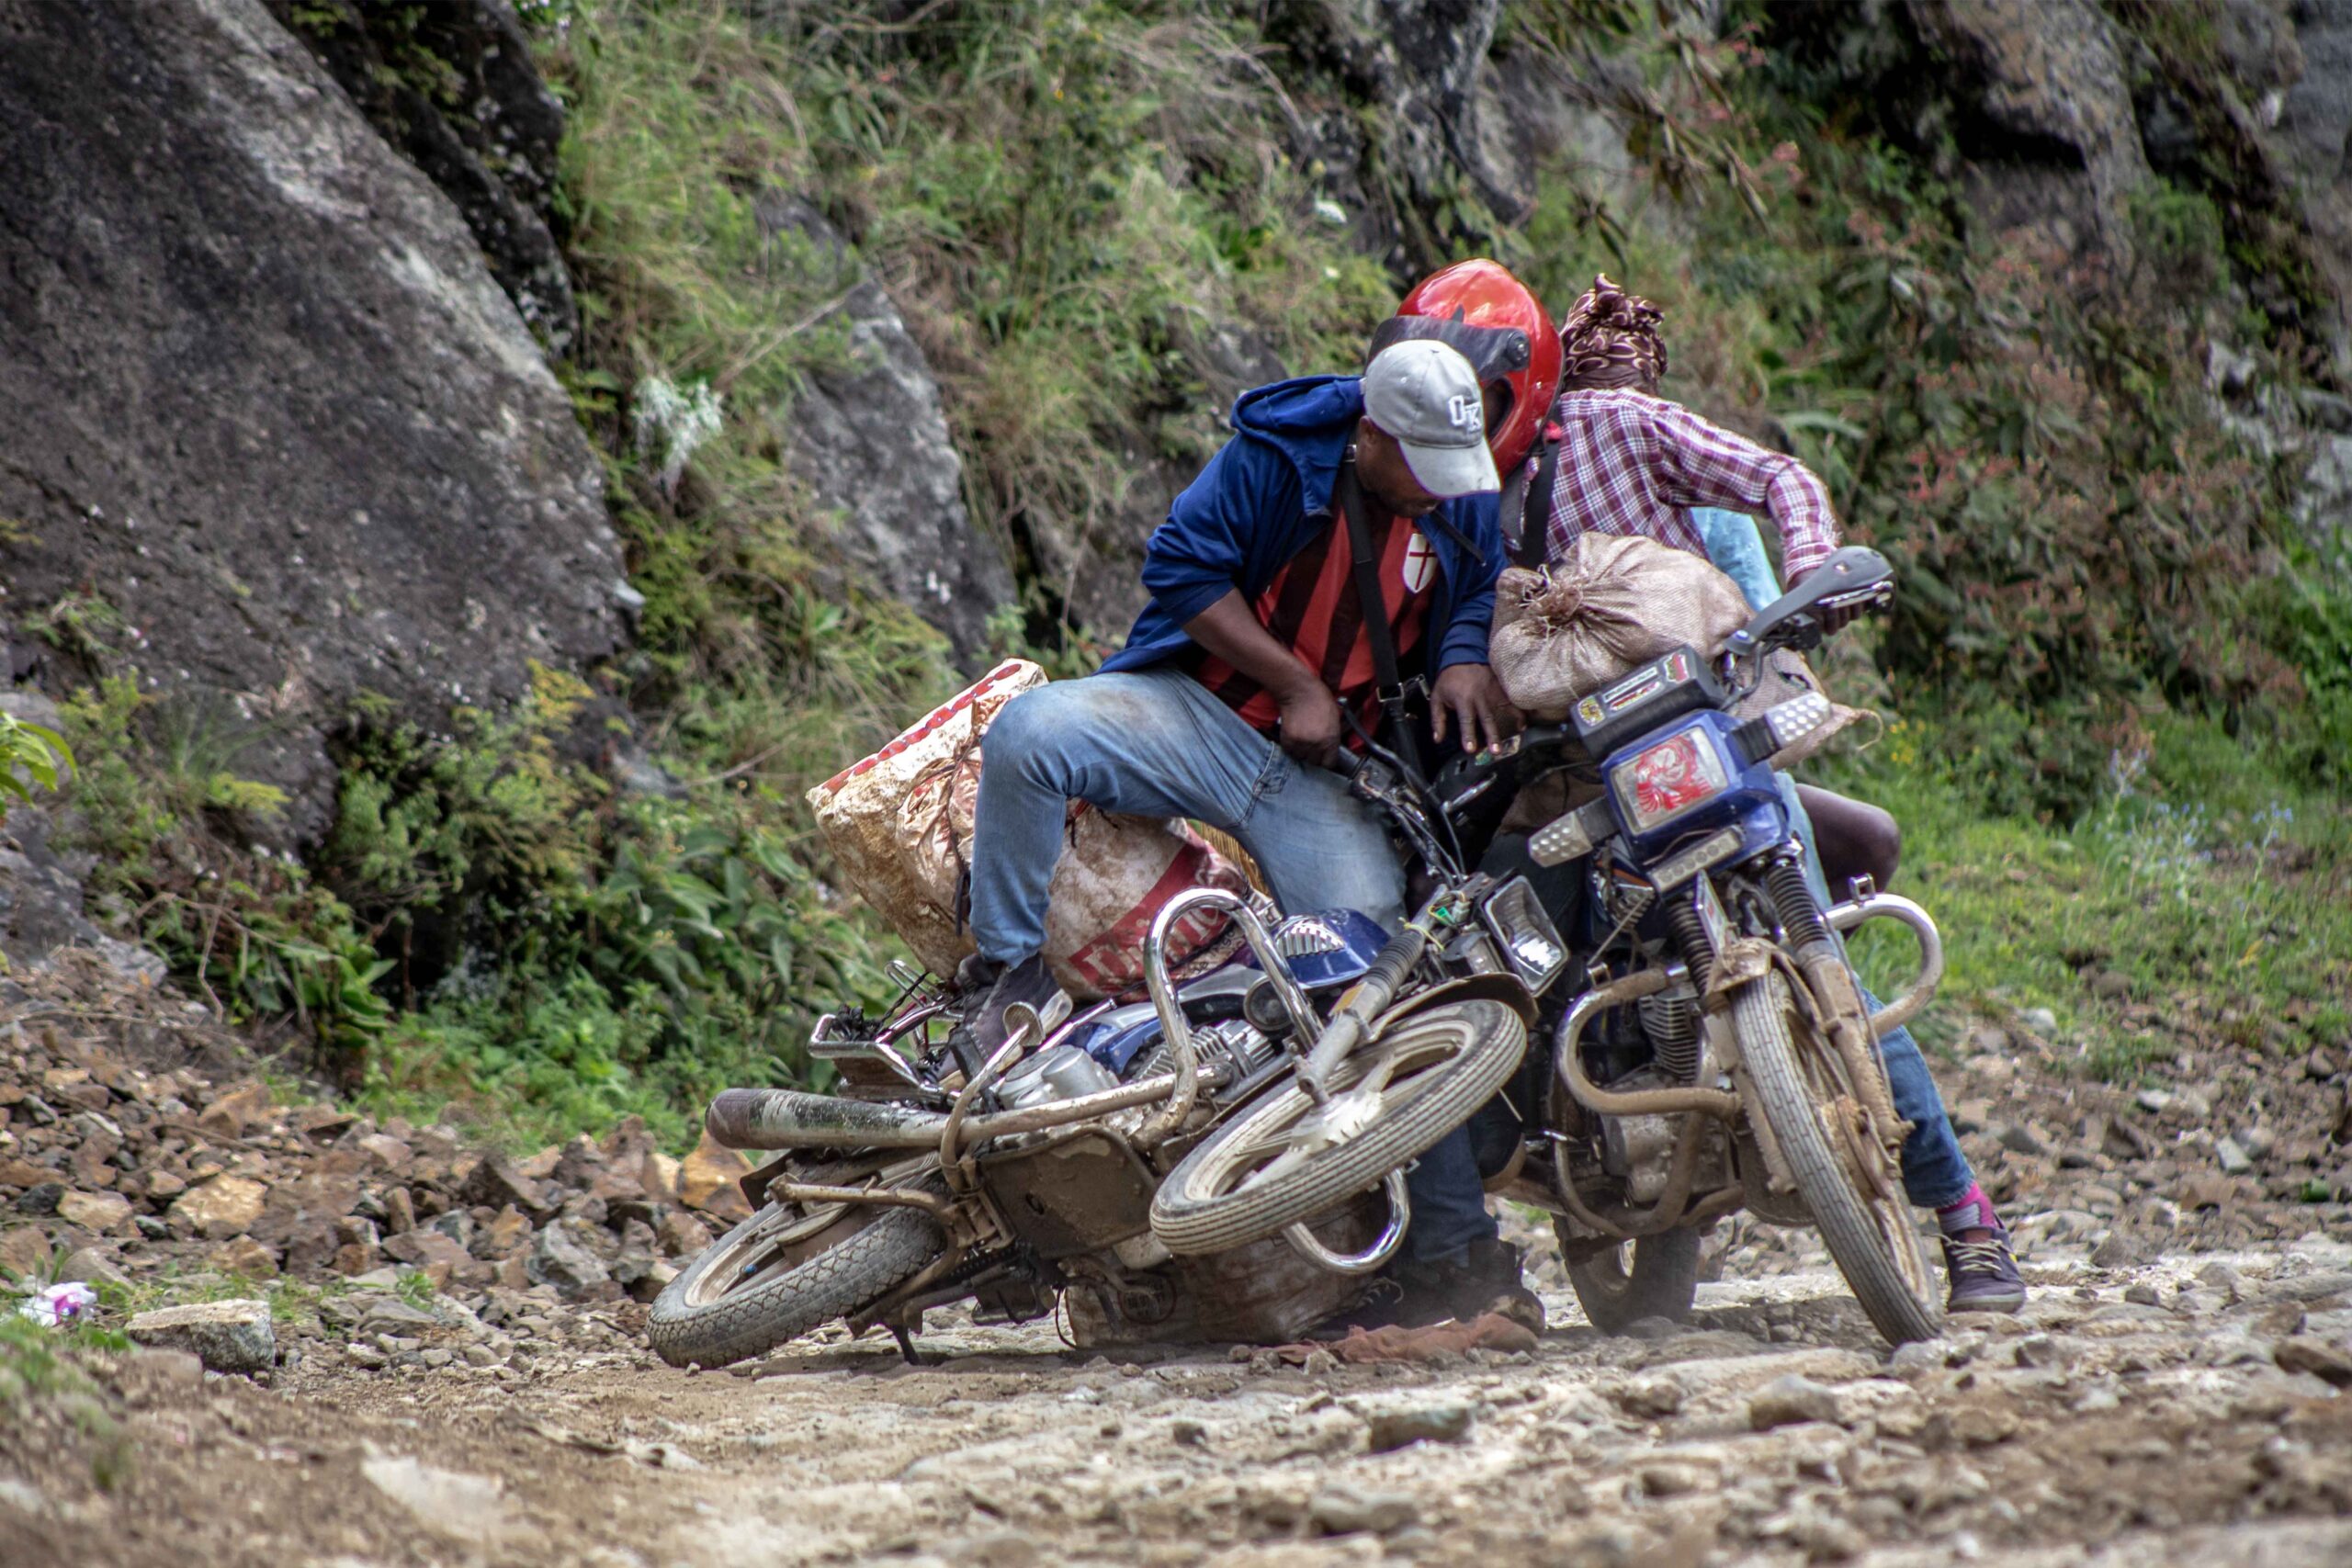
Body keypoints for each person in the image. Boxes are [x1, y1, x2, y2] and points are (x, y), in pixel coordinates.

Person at [956, 336, 1536, 1324]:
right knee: (1029, 734)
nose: (1442, 495)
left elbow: (1476, 578)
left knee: (1387, 982)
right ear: (1369, 437)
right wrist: (1292, 681)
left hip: (1330, 775)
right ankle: (1000, 981)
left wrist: (1465, 654)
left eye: (1455, 475)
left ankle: (1448, 1249)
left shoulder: (1459, 484)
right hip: (1207, 716)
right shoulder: (1277, 455)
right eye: (1421, 475)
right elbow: (1178, 569)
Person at [1513, 274, 2024, 1314]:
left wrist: (1807, 583)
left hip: (1691, 747)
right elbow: (1779, 486)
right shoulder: (1535, 465)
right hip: (1610, 764)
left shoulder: (1534, 460)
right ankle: (1962, 1224)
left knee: (1766, 958)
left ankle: (1957, 1209)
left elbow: (1765, 541)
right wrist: (1814, 576)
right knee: (1747, 964)